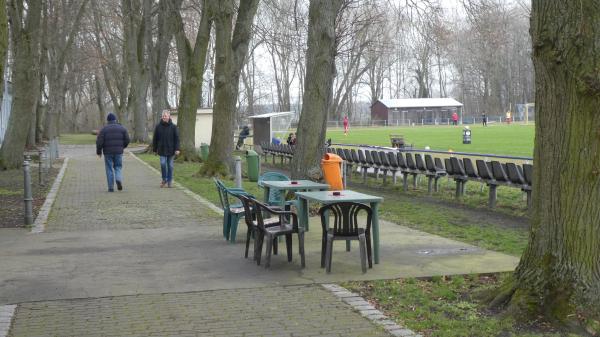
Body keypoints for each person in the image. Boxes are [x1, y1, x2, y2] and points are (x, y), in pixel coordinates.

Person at [96, 112, 130, 192]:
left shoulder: (104, 129)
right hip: (118, 152)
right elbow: (127, 140)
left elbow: (99, 142)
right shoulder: (122, 128)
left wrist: (99, 152)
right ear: (115, 120)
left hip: (107, 152)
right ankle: (118, 179)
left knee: (109, 168)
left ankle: (111, 187)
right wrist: (122, 147)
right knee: (118, 166)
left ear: (108, 121)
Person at [152, 111, 180, 188]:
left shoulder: (174, 127)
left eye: (166, 116)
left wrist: (177, 149)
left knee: (170, 166)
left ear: (169, 116)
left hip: (171, 150)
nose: (164, 117)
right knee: (163, 164)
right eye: (163, 116)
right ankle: (164, 179)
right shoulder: (158, 126)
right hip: (161, 149)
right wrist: (154, 149)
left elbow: (177, 139)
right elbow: (155, 139)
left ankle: (170, 181)